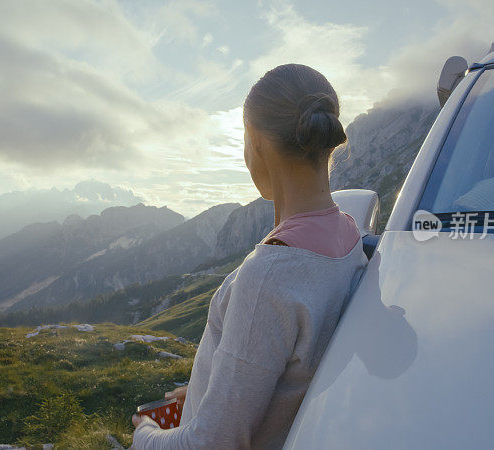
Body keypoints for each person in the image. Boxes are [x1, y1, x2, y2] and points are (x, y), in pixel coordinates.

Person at [131, 63, 369, 449]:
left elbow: (210, 445)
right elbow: (286, 376)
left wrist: (144, 435)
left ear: (256, 140)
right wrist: (211, 389)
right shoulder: (349, 234)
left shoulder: (270, 275)